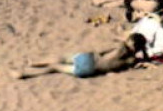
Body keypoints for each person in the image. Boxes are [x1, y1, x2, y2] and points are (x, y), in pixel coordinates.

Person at [15, 32, 149, 80]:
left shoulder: (120, 47)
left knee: (60, 58)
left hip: (88, 59)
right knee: (55, 67)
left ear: (128, 41)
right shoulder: (131, 61)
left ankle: (31, 65)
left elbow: (99, 52)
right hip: (88, 71)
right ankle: (26, 73)